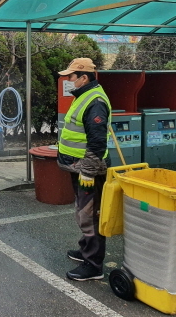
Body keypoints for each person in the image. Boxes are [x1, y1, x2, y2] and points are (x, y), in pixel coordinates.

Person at [57, 58, 111, 282]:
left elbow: (98, 143)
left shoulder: (95, 101)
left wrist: (88, 171)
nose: (68, 80)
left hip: (89, 169)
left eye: (71, 77)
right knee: (83, 210)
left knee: (90, 215)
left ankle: (93, 265)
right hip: (78, 166)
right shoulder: (84, 96)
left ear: (83, 78)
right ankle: (86, 250)